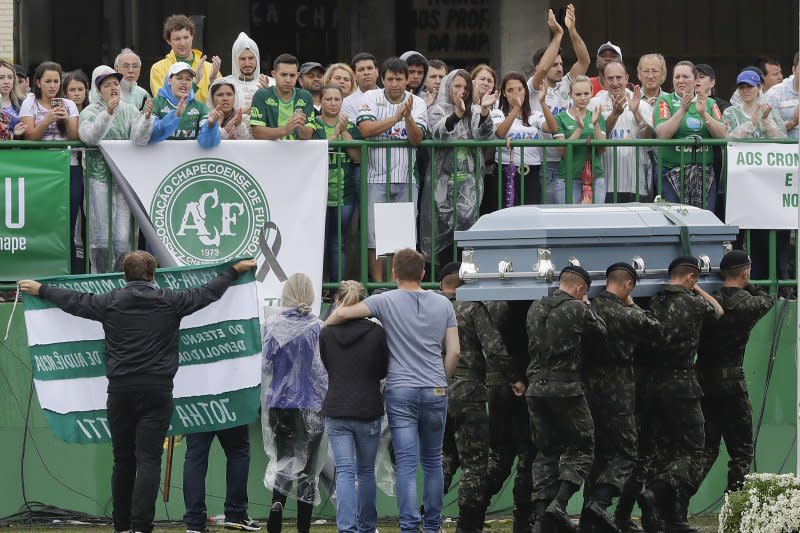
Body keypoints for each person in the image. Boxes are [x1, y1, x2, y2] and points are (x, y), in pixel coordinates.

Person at [18, 253, 258, 533]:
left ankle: (121, 526)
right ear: (153, 275)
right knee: (149, 460)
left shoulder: (109, 302)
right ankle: (142, 526)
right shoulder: (170, 301)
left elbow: (75, 301)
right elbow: (207, 293)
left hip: (120, 391)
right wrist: (233, 271)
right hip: (157, 391)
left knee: (123, 460)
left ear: (125, 276)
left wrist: (42, 290)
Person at [326, 248, 460, 533]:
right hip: (435, 388)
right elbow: (455, 352)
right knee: (434, 461)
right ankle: (433, 525)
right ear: (424, 273)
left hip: (401, 390)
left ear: (394, 273)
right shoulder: (444, 305)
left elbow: (343, 313)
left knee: (407, 464)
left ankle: (409, 526)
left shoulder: (384, 300)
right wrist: (442, 380)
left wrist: (326, 325)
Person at [438, 262, 522, 533]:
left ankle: (426, 515)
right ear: (466, 283)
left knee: (444, 456)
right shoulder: (472, 307)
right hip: (468, 393)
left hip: (434, 392)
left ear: (441, 284)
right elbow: (494, 348)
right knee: (475, 463)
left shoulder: (428, 308)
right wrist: (515, 378)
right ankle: (468, 524)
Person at [642, 256, 723, 533]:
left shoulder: (654, 301)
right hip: (683, 384)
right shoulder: (694, 303)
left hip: (653, 384)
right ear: (690, 278)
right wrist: (697, 289)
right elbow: (718, 310)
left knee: (662, 450)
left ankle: (662, 518)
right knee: (693, 450)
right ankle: (657, 490)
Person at [580, 263, 663, 533]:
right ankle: (601, 502)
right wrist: (633, 304)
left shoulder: (588, 308)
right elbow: (656, 328)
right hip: (619, 391)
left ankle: (588, 518)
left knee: (596, 454)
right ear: (628, 285)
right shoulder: (628, 315)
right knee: (627, 453)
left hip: (588, 390)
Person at [525, 265, 606, 533]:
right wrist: (587, 305)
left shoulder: (536, 307)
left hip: (536, 388)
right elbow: (601, 334)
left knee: (546, 452)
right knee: (582, 446)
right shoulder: (579, 309)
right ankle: (558, 504)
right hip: (566, 389)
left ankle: (539, 519)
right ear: (581, 288)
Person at [696, 251, 774, 493]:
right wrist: (746, 283)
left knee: (707, 449)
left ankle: (675, 502)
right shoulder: (750, 304)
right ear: (745, 272)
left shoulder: (707, 302)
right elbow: (767, 298)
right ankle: (734, 504)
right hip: (732, 384)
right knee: (741, 451)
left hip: (703, 381)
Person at [320, 280, 389, 533]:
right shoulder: (377, 333)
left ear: (338, 302)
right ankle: (368, 526)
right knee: (366, 472)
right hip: (368, 408)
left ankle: (347, 527)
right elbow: (383, 370)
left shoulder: (326, 332)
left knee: (345, 473)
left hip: (337, 408)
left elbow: (328, 366)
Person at [261, 273, 328, 533]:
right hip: (311, 403)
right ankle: (303, 526)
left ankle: (277, 505)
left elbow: (266, 364)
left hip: (280, 403)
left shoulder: (272, 325)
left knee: (284, 458)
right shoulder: (318, 327)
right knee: (309, 468)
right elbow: (322, 371)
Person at [356, 58, 427, 282]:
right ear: (382, 79)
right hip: (375, 176)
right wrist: (395, 117)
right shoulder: (370, 97)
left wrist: (407, 119)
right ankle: (378, 284)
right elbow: (365, 130)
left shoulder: (418, 102)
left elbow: (417, 139)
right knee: (373, 236)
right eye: (390, 79)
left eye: (399, 79)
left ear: (407, 80)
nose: (394, 84)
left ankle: (399, 282)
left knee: (402, 236)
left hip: (405, 177)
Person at [78, 65, 154, 273]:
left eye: (115, 83)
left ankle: (124, 277)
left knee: (123, 236)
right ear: (97, 89)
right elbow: (90, 138)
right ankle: (100, 278)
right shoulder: (89, 112)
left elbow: (139, 139)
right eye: (106, 84)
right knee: (101, 235)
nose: (113, 88)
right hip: (98, 178)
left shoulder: (130, 110)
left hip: (124, 180)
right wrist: (108, 113)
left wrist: (146, 119)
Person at [421, 69, 497, 270]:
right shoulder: (438, 110)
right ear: (448, 87)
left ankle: (466, 274)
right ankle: (446, 278)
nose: (462, 91)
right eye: (457, 86)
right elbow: (439, 133)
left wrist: (484, 112)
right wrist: (456, 115)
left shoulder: (473, 111)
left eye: (465, 87)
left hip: (469, 180)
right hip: (443, 180)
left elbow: (485, 135)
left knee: (467, 226)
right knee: (443, 227)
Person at [19, 62, 81, 271]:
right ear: (38, 83)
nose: (53, 85)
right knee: (42, 222)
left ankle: (69, 271)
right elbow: (29, 137)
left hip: (69, 167)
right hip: (41, 169)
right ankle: (41, 269)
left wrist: (67, 120)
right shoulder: (29, 103)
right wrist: (46, 120)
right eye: (48, 81)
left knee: (68, 223)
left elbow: (75, 138)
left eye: (56, 81)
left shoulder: (69, 104)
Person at [528, 5, 591, 203]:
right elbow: (544, 66)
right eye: (555, 64)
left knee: (571, 215)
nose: (559, 68)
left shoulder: (567, 83)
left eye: (561, 64)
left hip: (571, 159)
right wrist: (557, 34)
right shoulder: (534, 86)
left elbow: (584, 60)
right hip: (546, 163)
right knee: (550, 215)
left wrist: (571, 31)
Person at [484, 300, 536, 533]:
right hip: (524, 384)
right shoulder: (536, 305)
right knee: (528, 457)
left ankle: (472, 514)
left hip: (498, 385)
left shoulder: (488, 303)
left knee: (500, 457)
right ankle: (523, 522)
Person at [653, 61, 726, 209]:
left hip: (703, 174)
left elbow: (722, 135)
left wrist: (703, 113)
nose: (680, 81)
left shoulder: (710, 103)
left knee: (704, 221)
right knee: (675, 222)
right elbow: (663, 134)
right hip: (670, 172)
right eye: (676, 77)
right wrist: (682, 110)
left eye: (685, 76)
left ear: (695, 80)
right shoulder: (664, 101)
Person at [486, 73, 556, 213]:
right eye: (510, 90)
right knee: (507, 214)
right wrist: (516, 109)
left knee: (530, 213)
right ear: (504, 94)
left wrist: (543, 103)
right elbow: (500, 132)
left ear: (525, 90)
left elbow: (553, 128)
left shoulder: (535, 115)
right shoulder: (497, 112)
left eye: (519, 89)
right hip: (506, 170)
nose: (515, 93)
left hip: (532, 170)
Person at [588, 60, 655, 203]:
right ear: (603, 81)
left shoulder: (642, 104)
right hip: (605, 183)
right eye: (610, 78)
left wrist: (636, 112)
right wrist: (615, 114)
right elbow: (594, 139)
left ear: (627, 78)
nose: (615, 82)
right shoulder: (594, 103)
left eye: (619, 77)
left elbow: (647, 137)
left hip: (637, 182)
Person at [313, 85, 361, 282]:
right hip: (317, 194)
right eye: (328, 99)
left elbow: (358, 157)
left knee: (337, 243)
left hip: (345, 194)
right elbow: (316, 153)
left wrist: (344, 133)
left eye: (337, 99)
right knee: (316, 243)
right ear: (321, 101)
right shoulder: (313, 126)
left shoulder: (351, 127)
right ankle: (318, 288)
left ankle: (336, 291)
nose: (333, 103)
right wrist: (335, 134)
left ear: (343, 102)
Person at [550, 74, 607, 204]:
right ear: (570, 94)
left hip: (595, 177)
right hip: (568, 178)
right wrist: (579, 129)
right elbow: (562, 151)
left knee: (596, 221)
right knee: (569, 221)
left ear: (592, 92)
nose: (583, 98)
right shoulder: (559, 118)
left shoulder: (597, 116)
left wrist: (596, 124)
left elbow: (601, 149)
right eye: (578, 94)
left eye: (586, 93)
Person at [150, 14, 220, 104]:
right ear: (169, 41)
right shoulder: (158, 69)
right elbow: (164, 104)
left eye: (186, 37)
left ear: (192, 37)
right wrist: (194, 84)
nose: (182, 43)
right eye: (177, 39)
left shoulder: (210, 68)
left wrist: (213, 80)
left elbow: (220, 104)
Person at [149, 63, 222, 147]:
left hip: (190, 160)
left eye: (188, 79)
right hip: (160, 159)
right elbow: (152, 135)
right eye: (179, 78)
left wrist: (211, 126)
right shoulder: (155, 103)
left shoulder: (200, 107)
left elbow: (206, 144)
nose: (184, 82)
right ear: (169, 80)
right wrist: (175, 116)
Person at [250, 53, 316, 140]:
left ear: (298, 75)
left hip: (297, 152)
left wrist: (301, 127)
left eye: (292, 75)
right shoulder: (261, 95)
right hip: (269, 152)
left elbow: (308, 135)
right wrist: (286, 129)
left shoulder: (305, 96)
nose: (288, 80)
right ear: (274, 74)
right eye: (283, 75)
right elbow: (257, 133)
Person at [724, 69, 786, 139]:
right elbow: (727, 139)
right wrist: (751, 123)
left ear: (759, 87)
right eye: (741, 87)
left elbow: (780, 140)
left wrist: (766, 119)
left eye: (749, 86)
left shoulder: (768, 111)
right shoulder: (730, 113)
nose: (745, 90)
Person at [227, 32, 272, 113]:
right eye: (242, 59)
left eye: (251, 58)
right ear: (235, 60)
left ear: (257, 58)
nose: (247, 63)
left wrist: (269, 96)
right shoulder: (226, 85)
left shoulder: (272, 84)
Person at [763, 51, 799, 139]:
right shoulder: (775, 94)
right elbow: (767, 131)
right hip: (787, 151)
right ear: (794, 70)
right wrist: (793, 122)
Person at [342, 52, 379, 122]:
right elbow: (355, 131)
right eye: (361, 69)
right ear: (354, 76)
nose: (366, 72)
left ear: (377, 72)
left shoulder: (388, 97)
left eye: (370, 68)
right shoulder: (347, 103)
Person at [0, 59, 24, 139]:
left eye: (10, 77)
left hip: (14, 150)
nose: (6, 81)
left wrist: (16, 134)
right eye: (1, 78)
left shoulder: (22, 103)